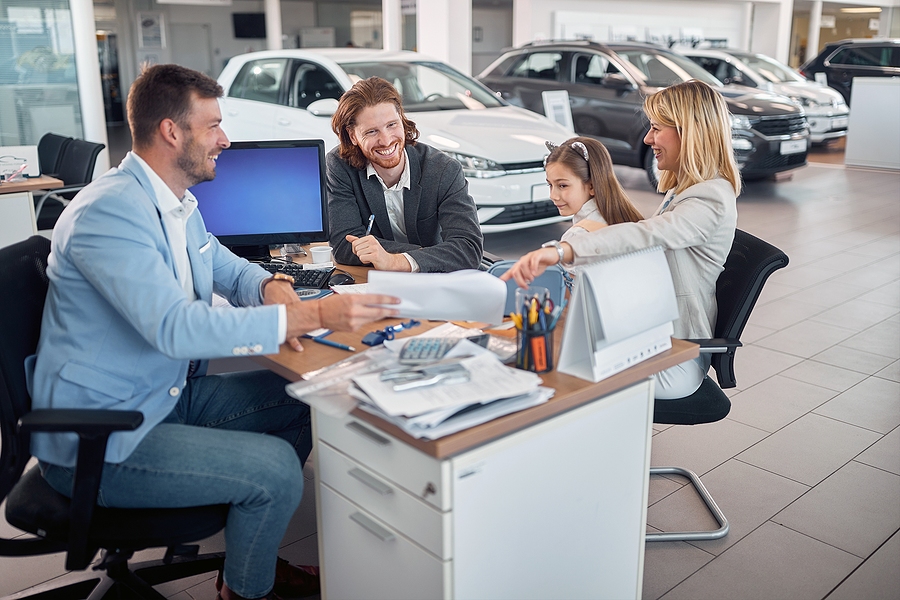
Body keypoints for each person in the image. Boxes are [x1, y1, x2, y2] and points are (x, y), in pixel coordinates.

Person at [25, 64, 400, 600]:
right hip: (105, 437)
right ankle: (250, 591)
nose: (225, 139)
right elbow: (176, 329)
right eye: (214, 126)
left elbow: (222, 264)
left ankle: (248, 566)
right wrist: (311, 316)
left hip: (165, 396)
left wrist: (269, 284)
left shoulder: (174, 200)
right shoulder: (108, 214)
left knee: (299, 397)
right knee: (274, 472)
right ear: (172, 132)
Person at [502, 80, 741, 400]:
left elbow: (649, 235)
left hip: (678, 356)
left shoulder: (710, 197)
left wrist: (564, 250)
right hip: (656, 335)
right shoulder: (688, 189)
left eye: (656, 128)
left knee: (562, 370)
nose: (648, 138)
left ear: (690, 131)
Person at [326, 76, 483, 273]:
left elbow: (469, 249)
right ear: (353, 136)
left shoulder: (443, 170)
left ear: (401, 118)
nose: (386, 140)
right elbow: (344, 244)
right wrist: (432, 253)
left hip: (435, 280)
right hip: (376, 280)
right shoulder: (340, 166)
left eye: (392, 125)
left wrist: (396, 261)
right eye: (372, 132)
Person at [543, 137, 643, 253]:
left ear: (591, 186)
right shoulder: (629, 222)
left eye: (562, 185)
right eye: (550, 185)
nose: (553, 196)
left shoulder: (576, 238)